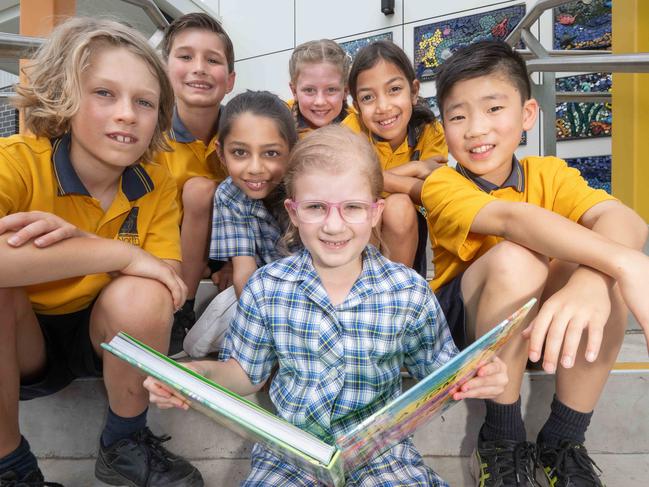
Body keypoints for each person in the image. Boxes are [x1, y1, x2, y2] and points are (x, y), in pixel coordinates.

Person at [144, 125, 509, 487]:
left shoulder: (408, 291)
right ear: (293, 210)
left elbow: (438, 372)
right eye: (316, 207)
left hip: (384, 456)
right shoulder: (267, 287)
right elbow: (244, 374)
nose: (334, 226)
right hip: (288, 457)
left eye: (352, 207)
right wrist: (198, 377)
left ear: (376, 211)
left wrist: (478, 374)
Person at [421, 40, 649, 487]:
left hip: (538, 324)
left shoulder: (549, 173)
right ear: (443, 126)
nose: (475, 129)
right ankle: (501, 439)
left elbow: (624, 218)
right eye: (458, 115)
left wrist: (594, 279)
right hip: (465, 324)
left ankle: (563, 440)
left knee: (601, 272)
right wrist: (625, 263)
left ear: (527, 115)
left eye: (492, 108)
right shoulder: (441, 183)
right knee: (519, 257)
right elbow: (511, 219)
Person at [0, 18, 203, 486]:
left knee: (146, 293)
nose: (127, 114)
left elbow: (167, 285)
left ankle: (123, 442)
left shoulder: (155, 184)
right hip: (23, 340)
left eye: (144, 102)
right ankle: (12, 467)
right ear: (66, 97)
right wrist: (120, 255)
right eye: (104, 94)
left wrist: (89, 246)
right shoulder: (18, 161)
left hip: (101, 332)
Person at [156, 13, 236, 355]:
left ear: (230, 80)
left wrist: (235, 259)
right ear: (164, 68)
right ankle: (181, 309)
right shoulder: (148, 135)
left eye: (212, 60)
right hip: (161, 247)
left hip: (226, 247)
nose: (199, 68)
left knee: (206, 190)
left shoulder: (243, 132)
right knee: (199, 189)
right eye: (186, 56)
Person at [342, 40, 447, 276]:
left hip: (406, 231)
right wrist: (415, 167)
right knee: (364, 208)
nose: (383, 106)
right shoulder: (350, 130)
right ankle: (357, 289)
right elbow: (347, 184)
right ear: (356, 106)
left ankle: (398, 294)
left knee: (398, 205)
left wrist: (373, 179)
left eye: (394, 90)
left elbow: (431, 191)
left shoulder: (429, 130)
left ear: (414, 91)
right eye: (368, 97)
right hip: (355, 225)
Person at [209, 90, 298, 298]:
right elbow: (244, 272)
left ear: (293, 151)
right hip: (270, 296)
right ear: (221, 153)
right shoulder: (229, 195)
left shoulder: (308, 188)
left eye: (271, 153)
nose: (255, 168)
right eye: (240, 152)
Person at [287, 39, 351, 138]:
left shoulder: (362, 128)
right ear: (294, 91)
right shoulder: (279, 128)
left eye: (331, 90)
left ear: (346, 91)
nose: (320, 102)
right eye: (309, 90)